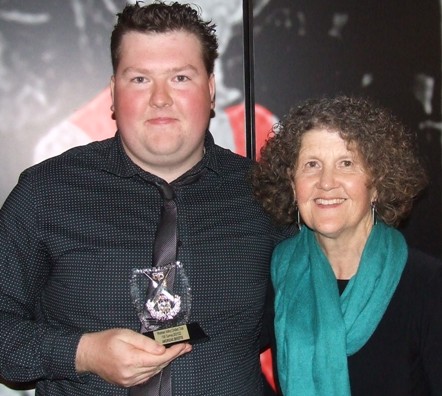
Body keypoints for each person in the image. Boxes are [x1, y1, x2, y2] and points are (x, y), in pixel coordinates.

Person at [0, 2, 291, 395]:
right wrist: (81, 352)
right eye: (139, 79)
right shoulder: (45, 192)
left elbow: (303, 319)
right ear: (113, 92)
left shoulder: (265, 195)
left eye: (180, 78)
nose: (160, 98)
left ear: (210, 89)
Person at [251, 95, 442, 395]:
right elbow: (227, 349)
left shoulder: (428, 285)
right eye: (312, 165)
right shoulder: (279, 275)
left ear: (377, 183)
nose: (327, 182)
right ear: (292, 184)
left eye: (346, 163)